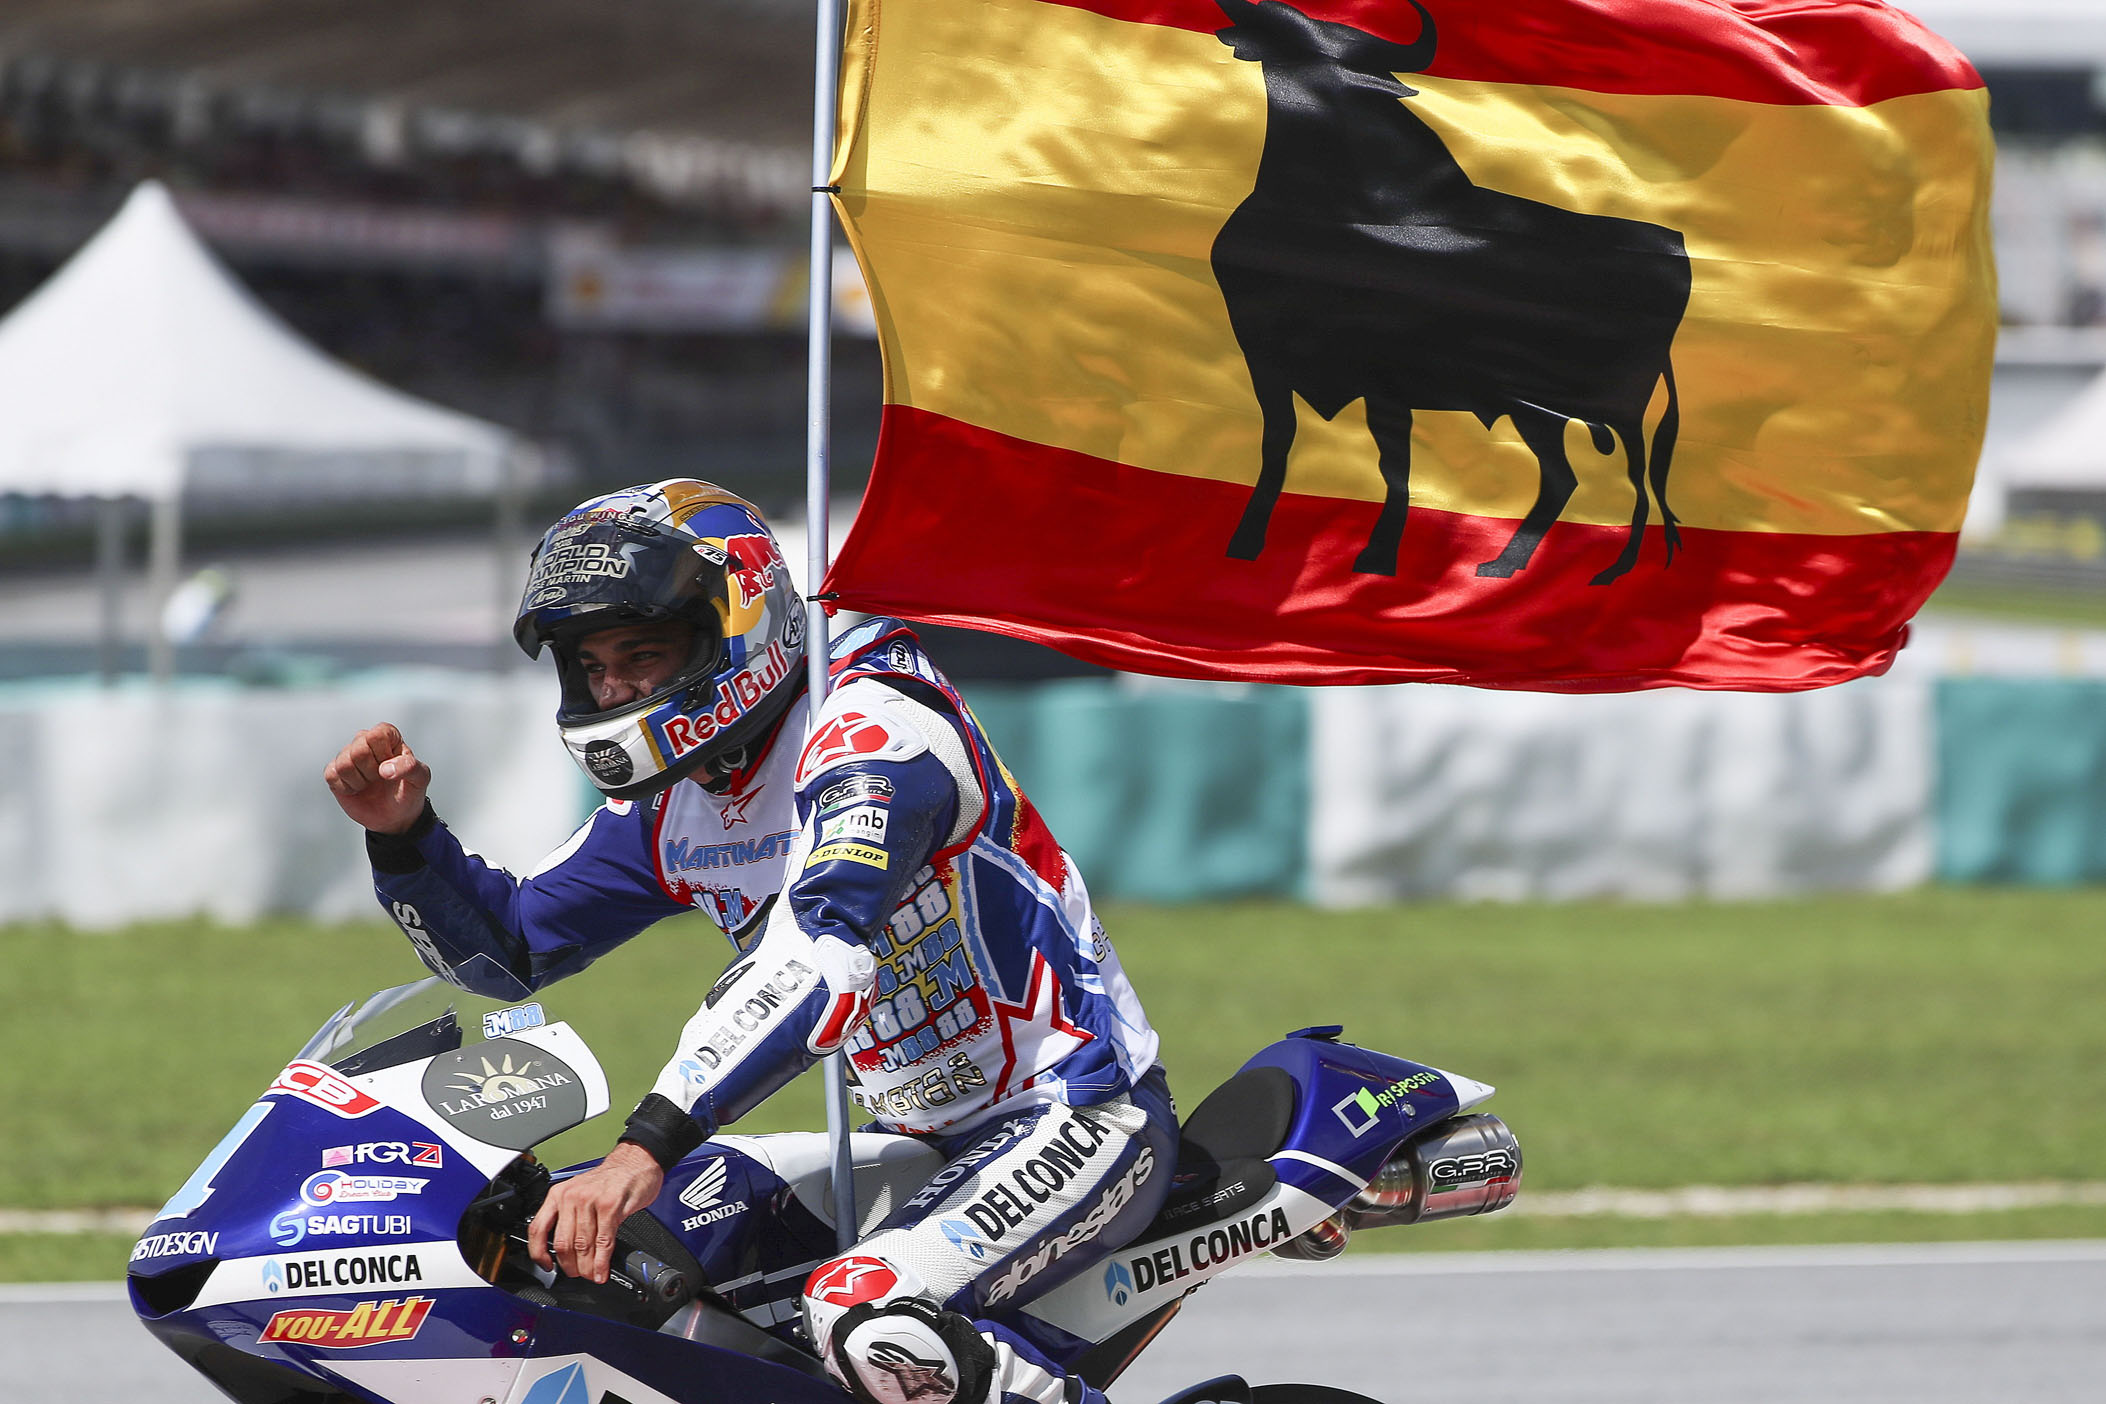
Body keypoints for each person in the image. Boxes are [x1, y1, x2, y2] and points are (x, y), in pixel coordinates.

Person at [323, 479, 1172, 1404]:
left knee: (865, 1313)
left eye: (642, 653)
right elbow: (512, 951)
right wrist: (405, 840)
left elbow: (821, 955)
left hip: (1075, 1114)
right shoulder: (682, 797)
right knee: (569, 1258)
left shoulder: (873, 731)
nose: (615, 687)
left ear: (737, 627)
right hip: (911, 1138)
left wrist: (644, 1148)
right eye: (594, 663)